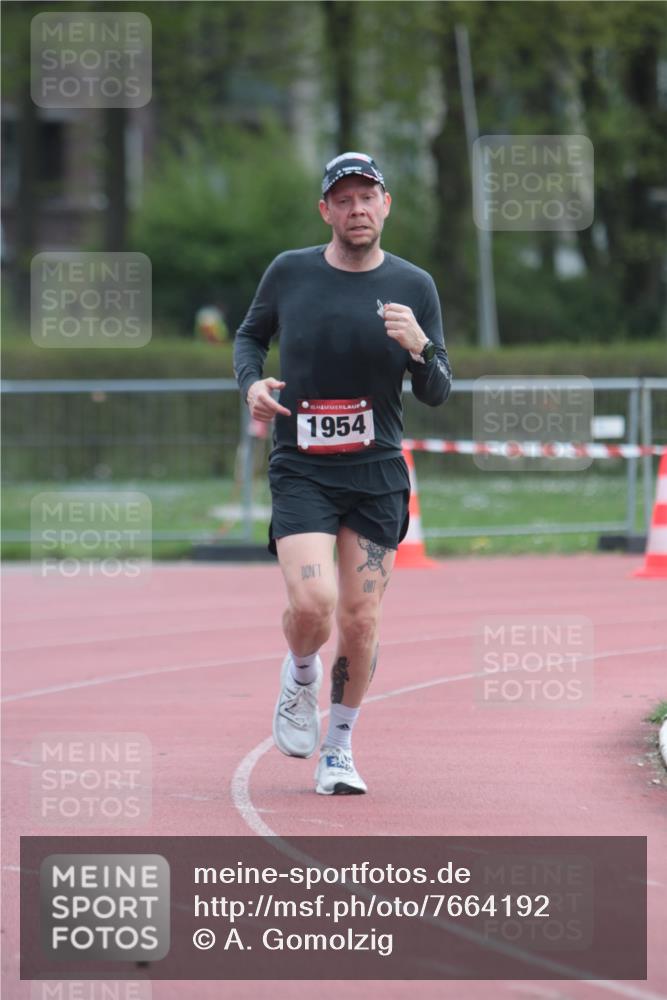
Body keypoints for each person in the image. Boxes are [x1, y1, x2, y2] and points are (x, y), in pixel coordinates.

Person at [233, 152, 452, 795]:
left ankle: (339, 748)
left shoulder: (415, 286)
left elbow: (438, 390)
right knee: (314, 603)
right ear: (325, 210)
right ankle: (301, 673)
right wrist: (252, 385)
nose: (358, 209)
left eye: (368, 197)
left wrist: (420, 347)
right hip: (302, 467)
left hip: (377, 471)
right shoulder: (290, 272)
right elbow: (249, 337)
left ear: (386, 206)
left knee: (361, 620)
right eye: (344, 199)